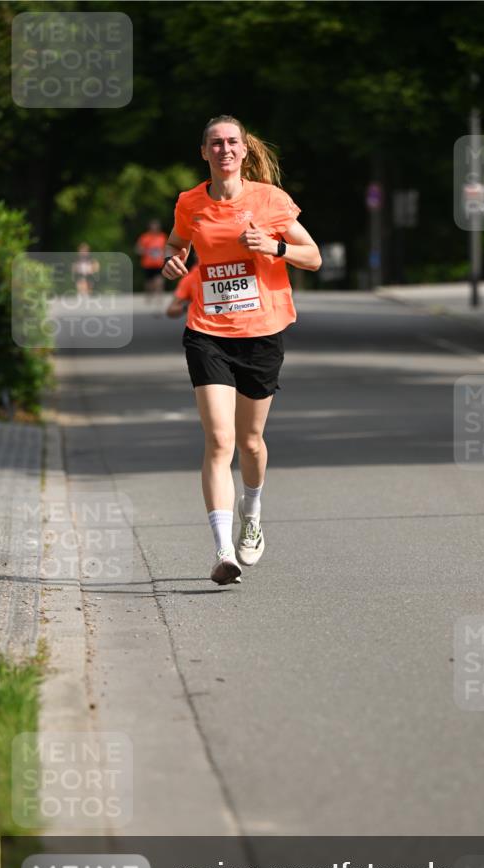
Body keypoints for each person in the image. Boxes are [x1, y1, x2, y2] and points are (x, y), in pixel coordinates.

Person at [162, 115, 321, 585]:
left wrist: (274, 246)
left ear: (244, 151)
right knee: (219, 441)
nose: (224, 149)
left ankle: (252, 513)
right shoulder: (190, 202)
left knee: (250, 442)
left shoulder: (270, 200)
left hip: (262, 331)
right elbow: (177, 243)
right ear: (204, 152)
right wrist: (175, 261)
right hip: (207, 331)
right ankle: (223, 550)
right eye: (216, 143)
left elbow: (313, 255)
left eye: (232, 142)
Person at [135, 220, 167, 310]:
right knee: (149, 283)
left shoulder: (162, 237)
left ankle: (159, 299)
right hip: (148, 264)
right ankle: (149, 296)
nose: (154, 228)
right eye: (153, 226)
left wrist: (166, 256)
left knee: (159, 281)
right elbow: (138, 249)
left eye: (156, 226)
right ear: (150, 227)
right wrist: (145, 251)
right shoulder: (145, 237)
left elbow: (166, 249)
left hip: (159, 264)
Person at [165, 251, 199, 318]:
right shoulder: (190, 279)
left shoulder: (223, 272)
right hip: (201, 325)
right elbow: (171, 310)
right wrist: (188, 306)